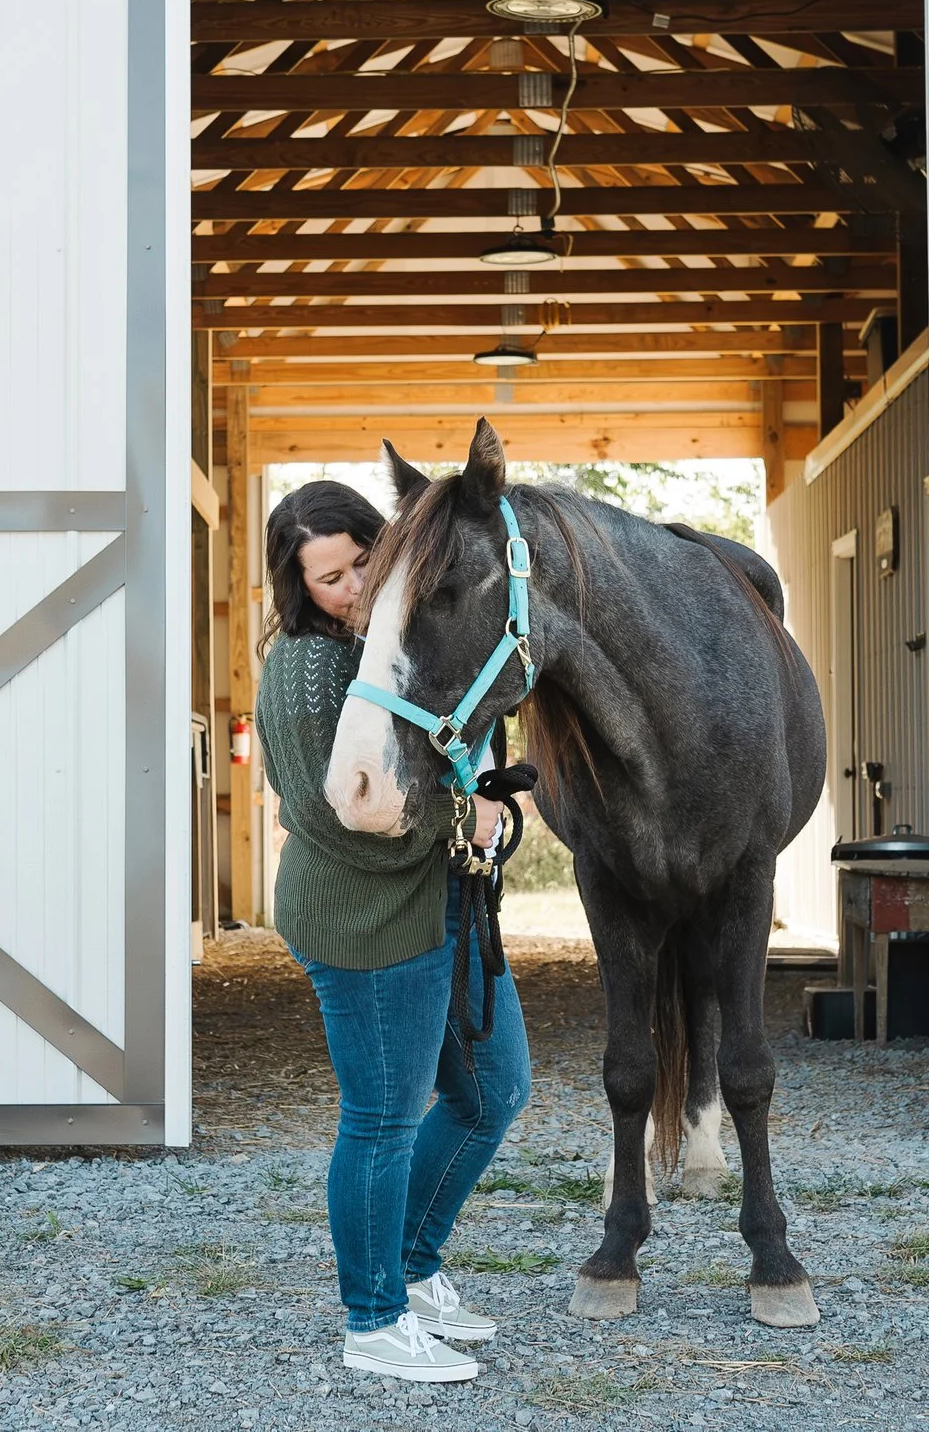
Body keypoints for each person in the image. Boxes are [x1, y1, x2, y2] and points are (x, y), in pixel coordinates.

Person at [253, 478, 531, 1385]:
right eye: (328, 578)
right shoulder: (307, 667)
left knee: (494, 1091)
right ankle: (374, 1319)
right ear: (300, 587)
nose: (350, 585)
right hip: (364, 914)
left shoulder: (397, 633)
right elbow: (330, 815)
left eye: (363, 560)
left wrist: (481, 801)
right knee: (380, 1118)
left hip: (438, 897)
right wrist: (464, 818)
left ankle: (410, 1267)